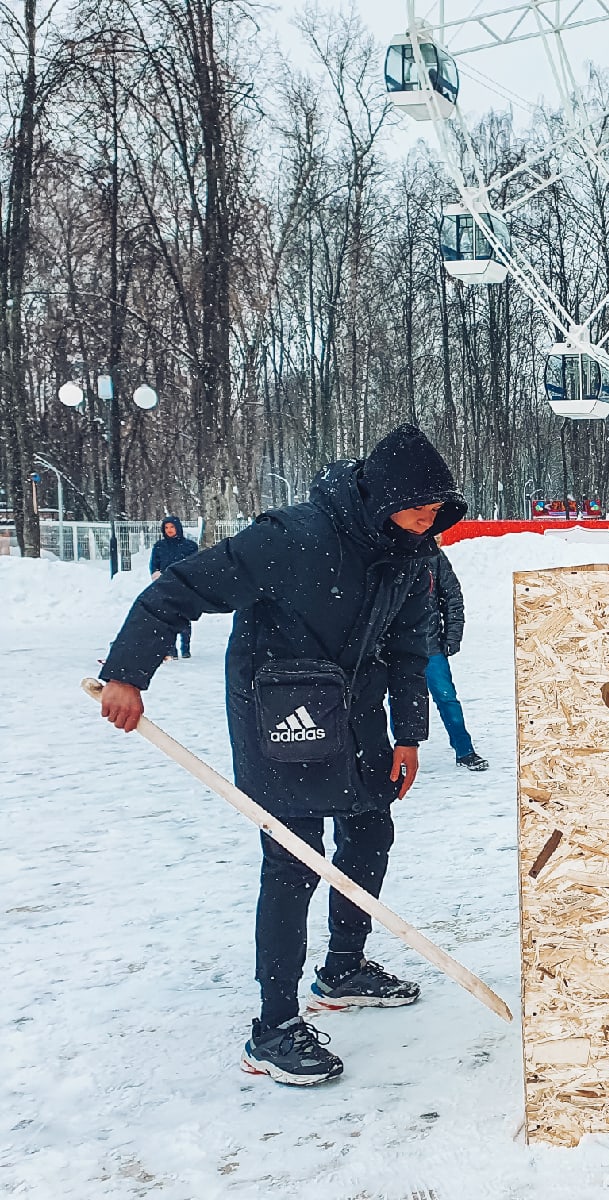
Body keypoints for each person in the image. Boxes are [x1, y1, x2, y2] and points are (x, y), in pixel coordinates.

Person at [96, 424, 466, 1087]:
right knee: (294, 859)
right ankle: (274, 1027)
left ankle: (344, 967)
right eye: (417, 512)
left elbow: (412, 647)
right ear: (382, 499)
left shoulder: (411, 555)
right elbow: (180, 591)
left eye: (434, 516)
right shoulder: (292, 537)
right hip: (283, 712)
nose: (425, 526)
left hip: (357, 713)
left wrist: (410, 733)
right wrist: (128, 673)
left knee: (371, 829)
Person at [426, 549, 487, 770]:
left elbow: (452, 597)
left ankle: (465, 751)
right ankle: (401, 757)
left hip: (430, 646)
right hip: (395, 649)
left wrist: (453, 635)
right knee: (399, 702)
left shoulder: (433, 556)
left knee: (447, 699)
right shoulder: (386, 551)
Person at [149, 516, 200, 658]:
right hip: (165, 586)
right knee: (168, 618)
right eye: (166, 527)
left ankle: (186, 648)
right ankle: (171, 649)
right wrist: (157, 577)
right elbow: (154, 565)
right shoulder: (159, 546)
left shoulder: (189, 546)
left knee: (184, 617)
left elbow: (195, 564)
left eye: (172, 527)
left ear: (178, 527)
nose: (169, 530)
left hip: (184, 585)